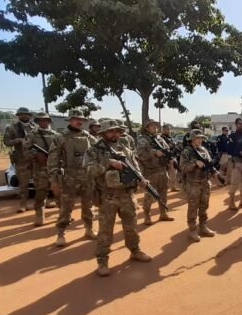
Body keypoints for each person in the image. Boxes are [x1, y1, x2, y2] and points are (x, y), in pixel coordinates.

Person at [84, 121, 152, 277]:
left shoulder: (125, 149)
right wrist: (108, 163)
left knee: (131, 227)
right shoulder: (94, 151)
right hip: (108, 197)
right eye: (111, 132)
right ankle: (102, 260)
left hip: (127, 195)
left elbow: (136, 169)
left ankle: (135, 251)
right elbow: (89, 170)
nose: (115, 134)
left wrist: (141, 180)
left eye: (117, 131)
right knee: (106, 230)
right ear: (103, 134)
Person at [48, 109, 96, 246]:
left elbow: (99, 152)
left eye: (81, 119)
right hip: (69, 177)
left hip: (87, 177)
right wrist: (53, 179)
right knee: (66, 207)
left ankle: (89, 229)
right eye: (76, 119)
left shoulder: (89, 137)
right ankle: (61, 234)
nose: (79, 121)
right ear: (70, 120)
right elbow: (53, 159)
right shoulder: (60, 137)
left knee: (88, 205)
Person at [180, 129, 218, 242]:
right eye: (198, 138)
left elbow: (209, 163)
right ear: (192, 139)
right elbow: (182, 167)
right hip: (193, 184)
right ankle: (192, 229)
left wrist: (214, 172)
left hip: (205, 182)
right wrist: (194, 163)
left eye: (201, 138)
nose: (200, 140)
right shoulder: (187, 151)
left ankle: (203, 226)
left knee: (204, 206)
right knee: (193, 207)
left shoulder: (203, 150)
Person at [24, 112, 59, 227]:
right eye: (41, 120)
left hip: (55, 168)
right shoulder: (32, 134)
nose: (43, 122)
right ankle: (40, 215)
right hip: (40, 169)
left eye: (46, 120)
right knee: (40, 192)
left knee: (59, 192)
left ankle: (64, 214)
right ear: (37, 122)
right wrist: (36, 155)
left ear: (49, 121)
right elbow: (25, 150)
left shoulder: (56, 135)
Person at [137, 120, 174, 224]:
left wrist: (169, 155)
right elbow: (140, 154)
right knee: (149, 195)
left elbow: (166, 149)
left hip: (162, 170)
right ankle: (147, 216)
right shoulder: (143, 139)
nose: (155, 128)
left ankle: (163, 214)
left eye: (156, 126)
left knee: (164, 193)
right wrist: (154, 152)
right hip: (150, 171)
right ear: (147, 127)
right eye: (152, 126)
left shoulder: (159, 138)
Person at [3, 107, 36, 213]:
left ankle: (41, 203)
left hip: (35, 159)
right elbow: (7, 142)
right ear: (18, 115)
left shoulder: (35, 127)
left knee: (41, 182)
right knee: (23, 183)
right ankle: (23, 204)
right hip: (21, 159)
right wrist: (19, 140)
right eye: (21, 114)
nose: (24, 116)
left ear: (30, 116)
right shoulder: (12, 128)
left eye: (26, 114)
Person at [161, 123, 181, 192]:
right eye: (167, 129)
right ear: (163, 129)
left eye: (169, 129)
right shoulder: (161, 138)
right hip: (165, 158)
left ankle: (173, 186)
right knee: (166, 173)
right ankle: (167, 187)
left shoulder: (170, 137)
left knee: (173, 173)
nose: (169, 130)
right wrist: (169, 146)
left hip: (173, 157)